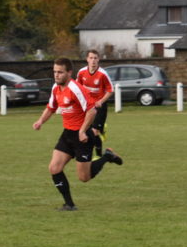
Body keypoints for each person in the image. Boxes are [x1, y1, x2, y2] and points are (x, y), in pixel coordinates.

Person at [33, 57, 123, 211]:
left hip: (83, 136)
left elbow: (92, 110)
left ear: (69, 73)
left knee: (84, 177)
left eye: (60, 72)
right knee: (54, 168)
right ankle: (69, 204)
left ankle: (107, 156)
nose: (56, 75)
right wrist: (40, 121)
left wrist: (82, 130)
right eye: (55, 72)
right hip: (68, 134)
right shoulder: (56, 88)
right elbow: (51, 107)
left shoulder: (76, 89)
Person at [75, 49, 113, 158]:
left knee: (94, 131)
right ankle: (102, 129)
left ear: (98, 59)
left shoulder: (102, 74)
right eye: (91, 58)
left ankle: (99, 156)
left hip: (99, 106)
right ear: (87, 59)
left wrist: (101, 101)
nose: (93, 60)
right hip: (87, 106)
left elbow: (110, 90)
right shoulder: (81, 72)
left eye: (95, 58)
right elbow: (77, 88)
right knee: (87, 130)